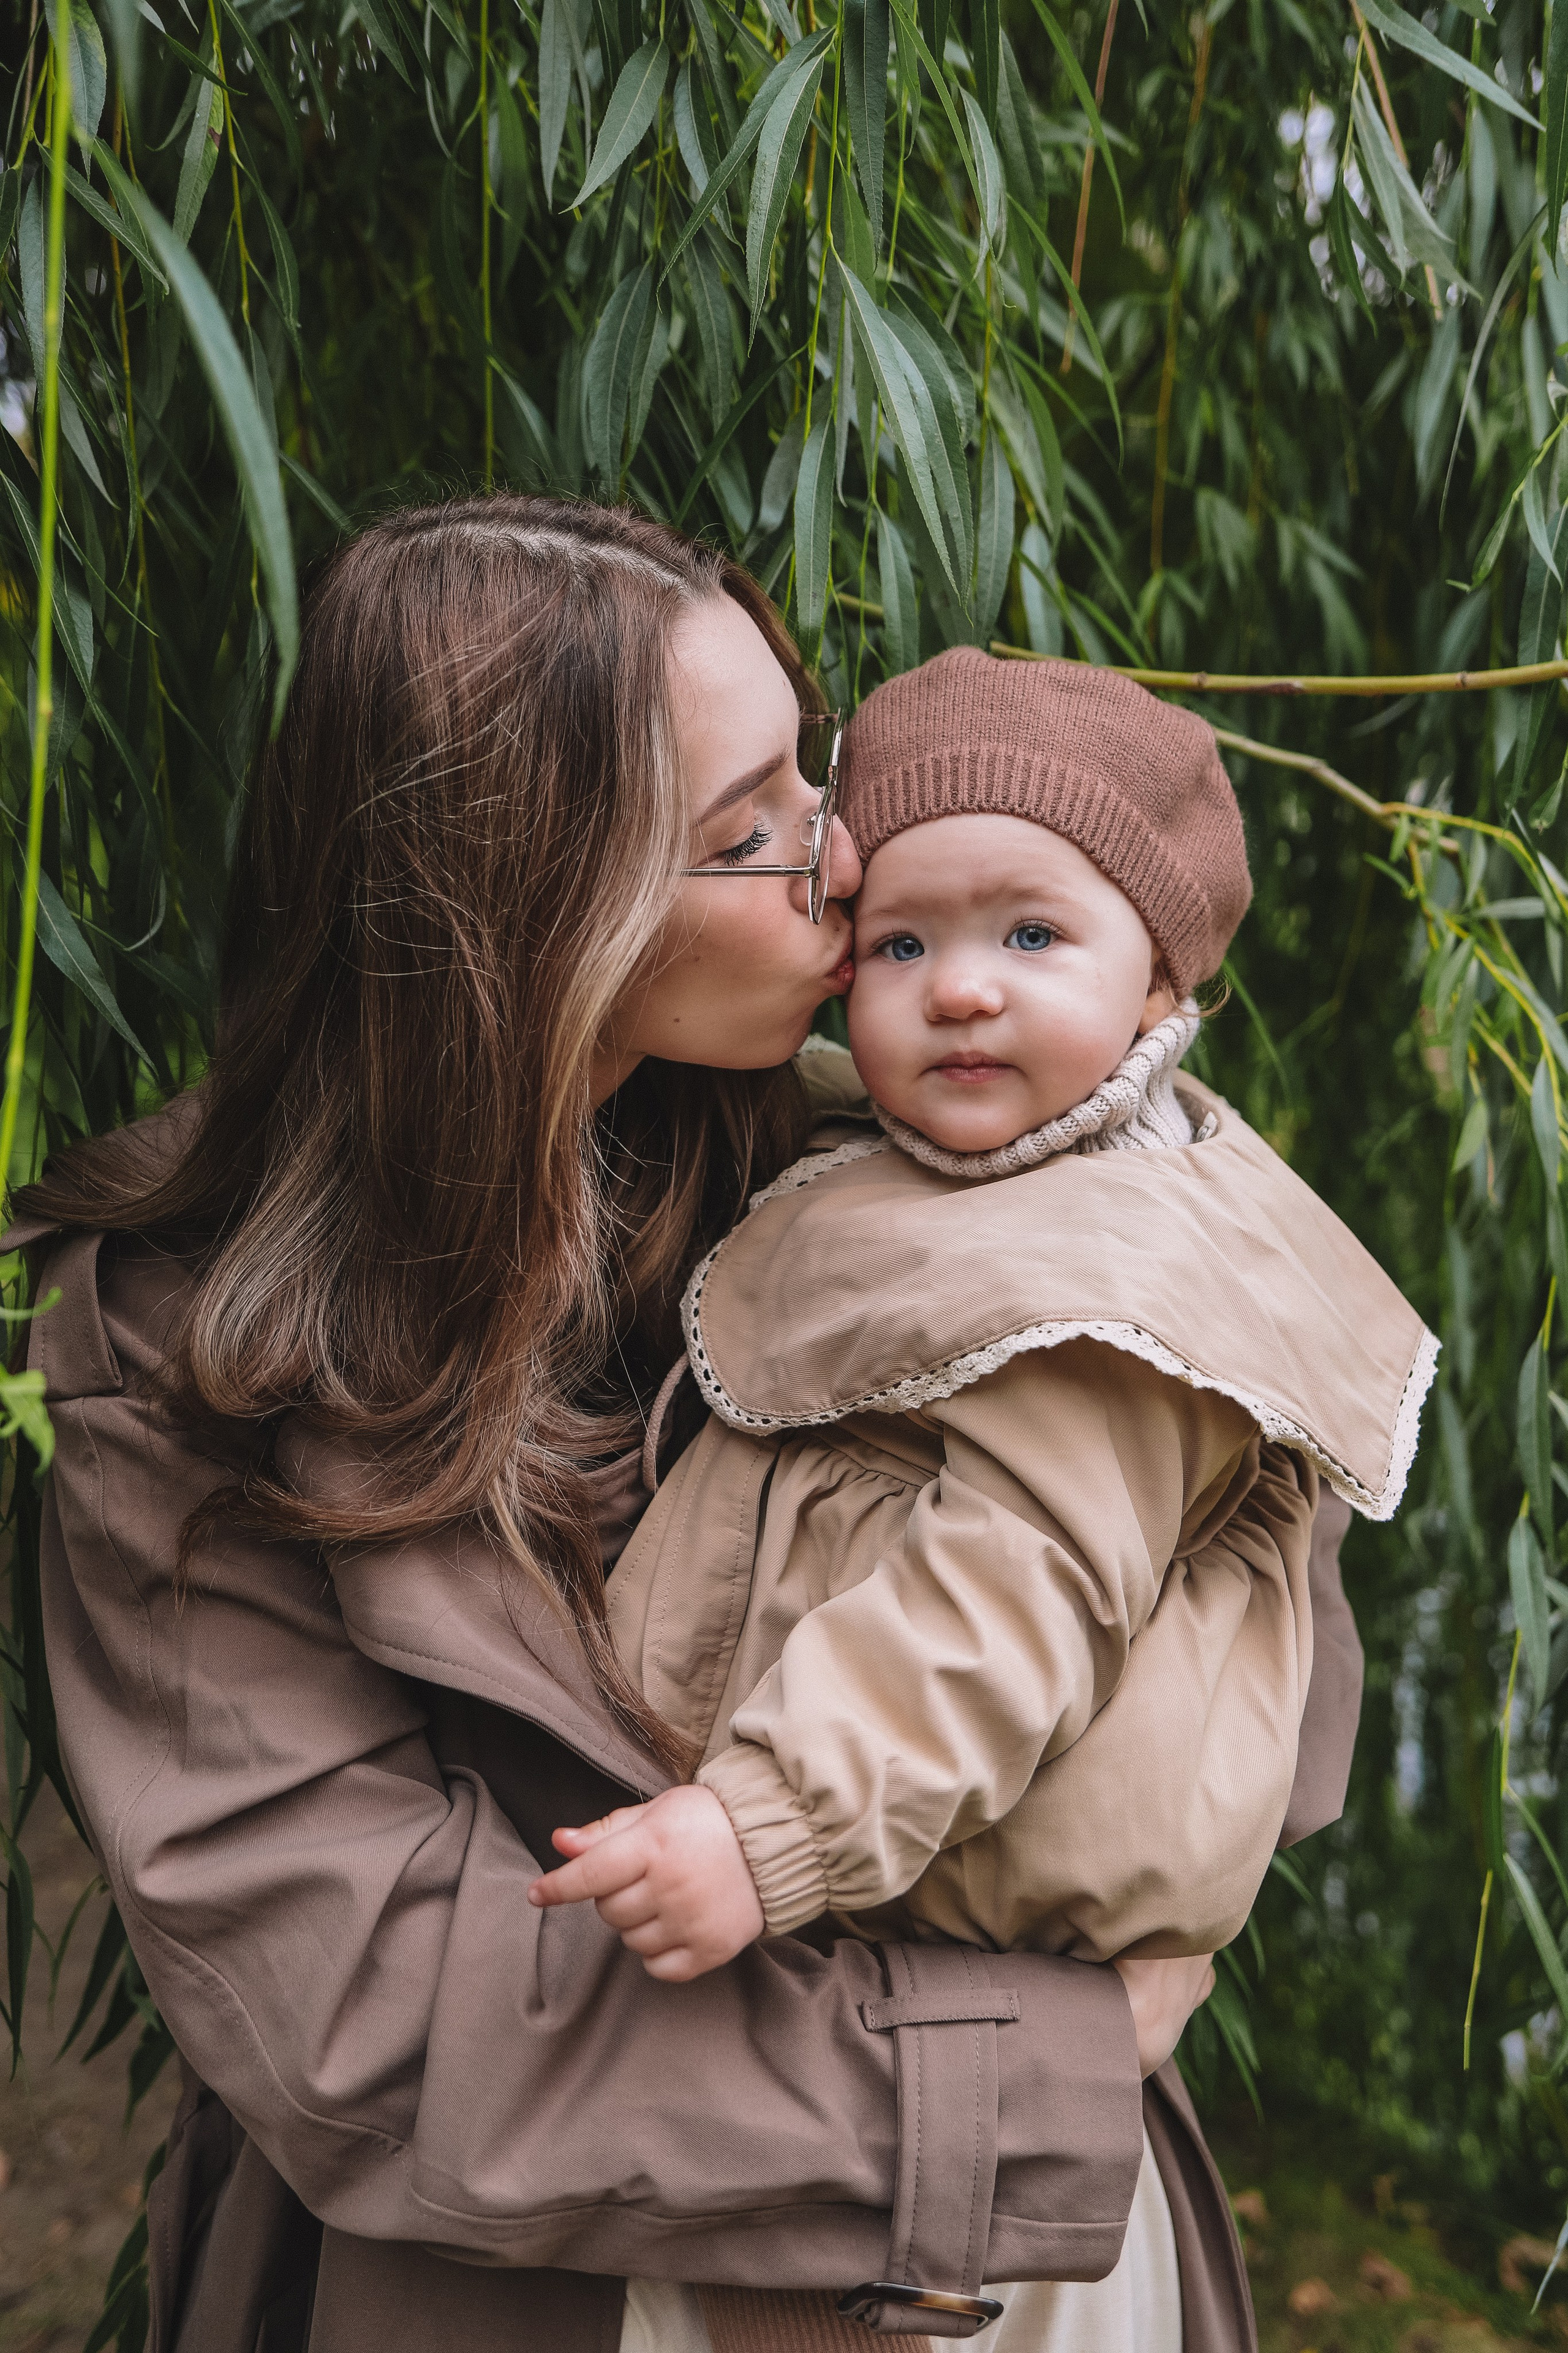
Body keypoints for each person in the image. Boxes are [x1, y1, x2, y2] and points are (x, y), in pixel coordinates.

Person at [7, 504, 1360, 2353]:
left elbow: (1246, 1587)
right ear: (534, 912)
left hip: (995, 2267)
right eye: (751, 829)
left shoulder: (891, 1153)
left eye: (810, 773)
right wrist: (1034, 2059)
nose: (848, 849)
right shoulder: (174, 1349)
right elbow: (378, 2018)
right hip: (542, 2296)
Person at [530, 648, 1433, 2346]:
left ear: (1163, 989)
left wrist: (764, 1823)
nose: (958, 989)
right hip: (867, 2004)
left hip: (935, 2018)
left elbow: (1011, 1595)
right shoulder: (946, 1178)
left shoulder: (1108, 1281)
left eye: (1032, 935)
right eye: (899, 943)